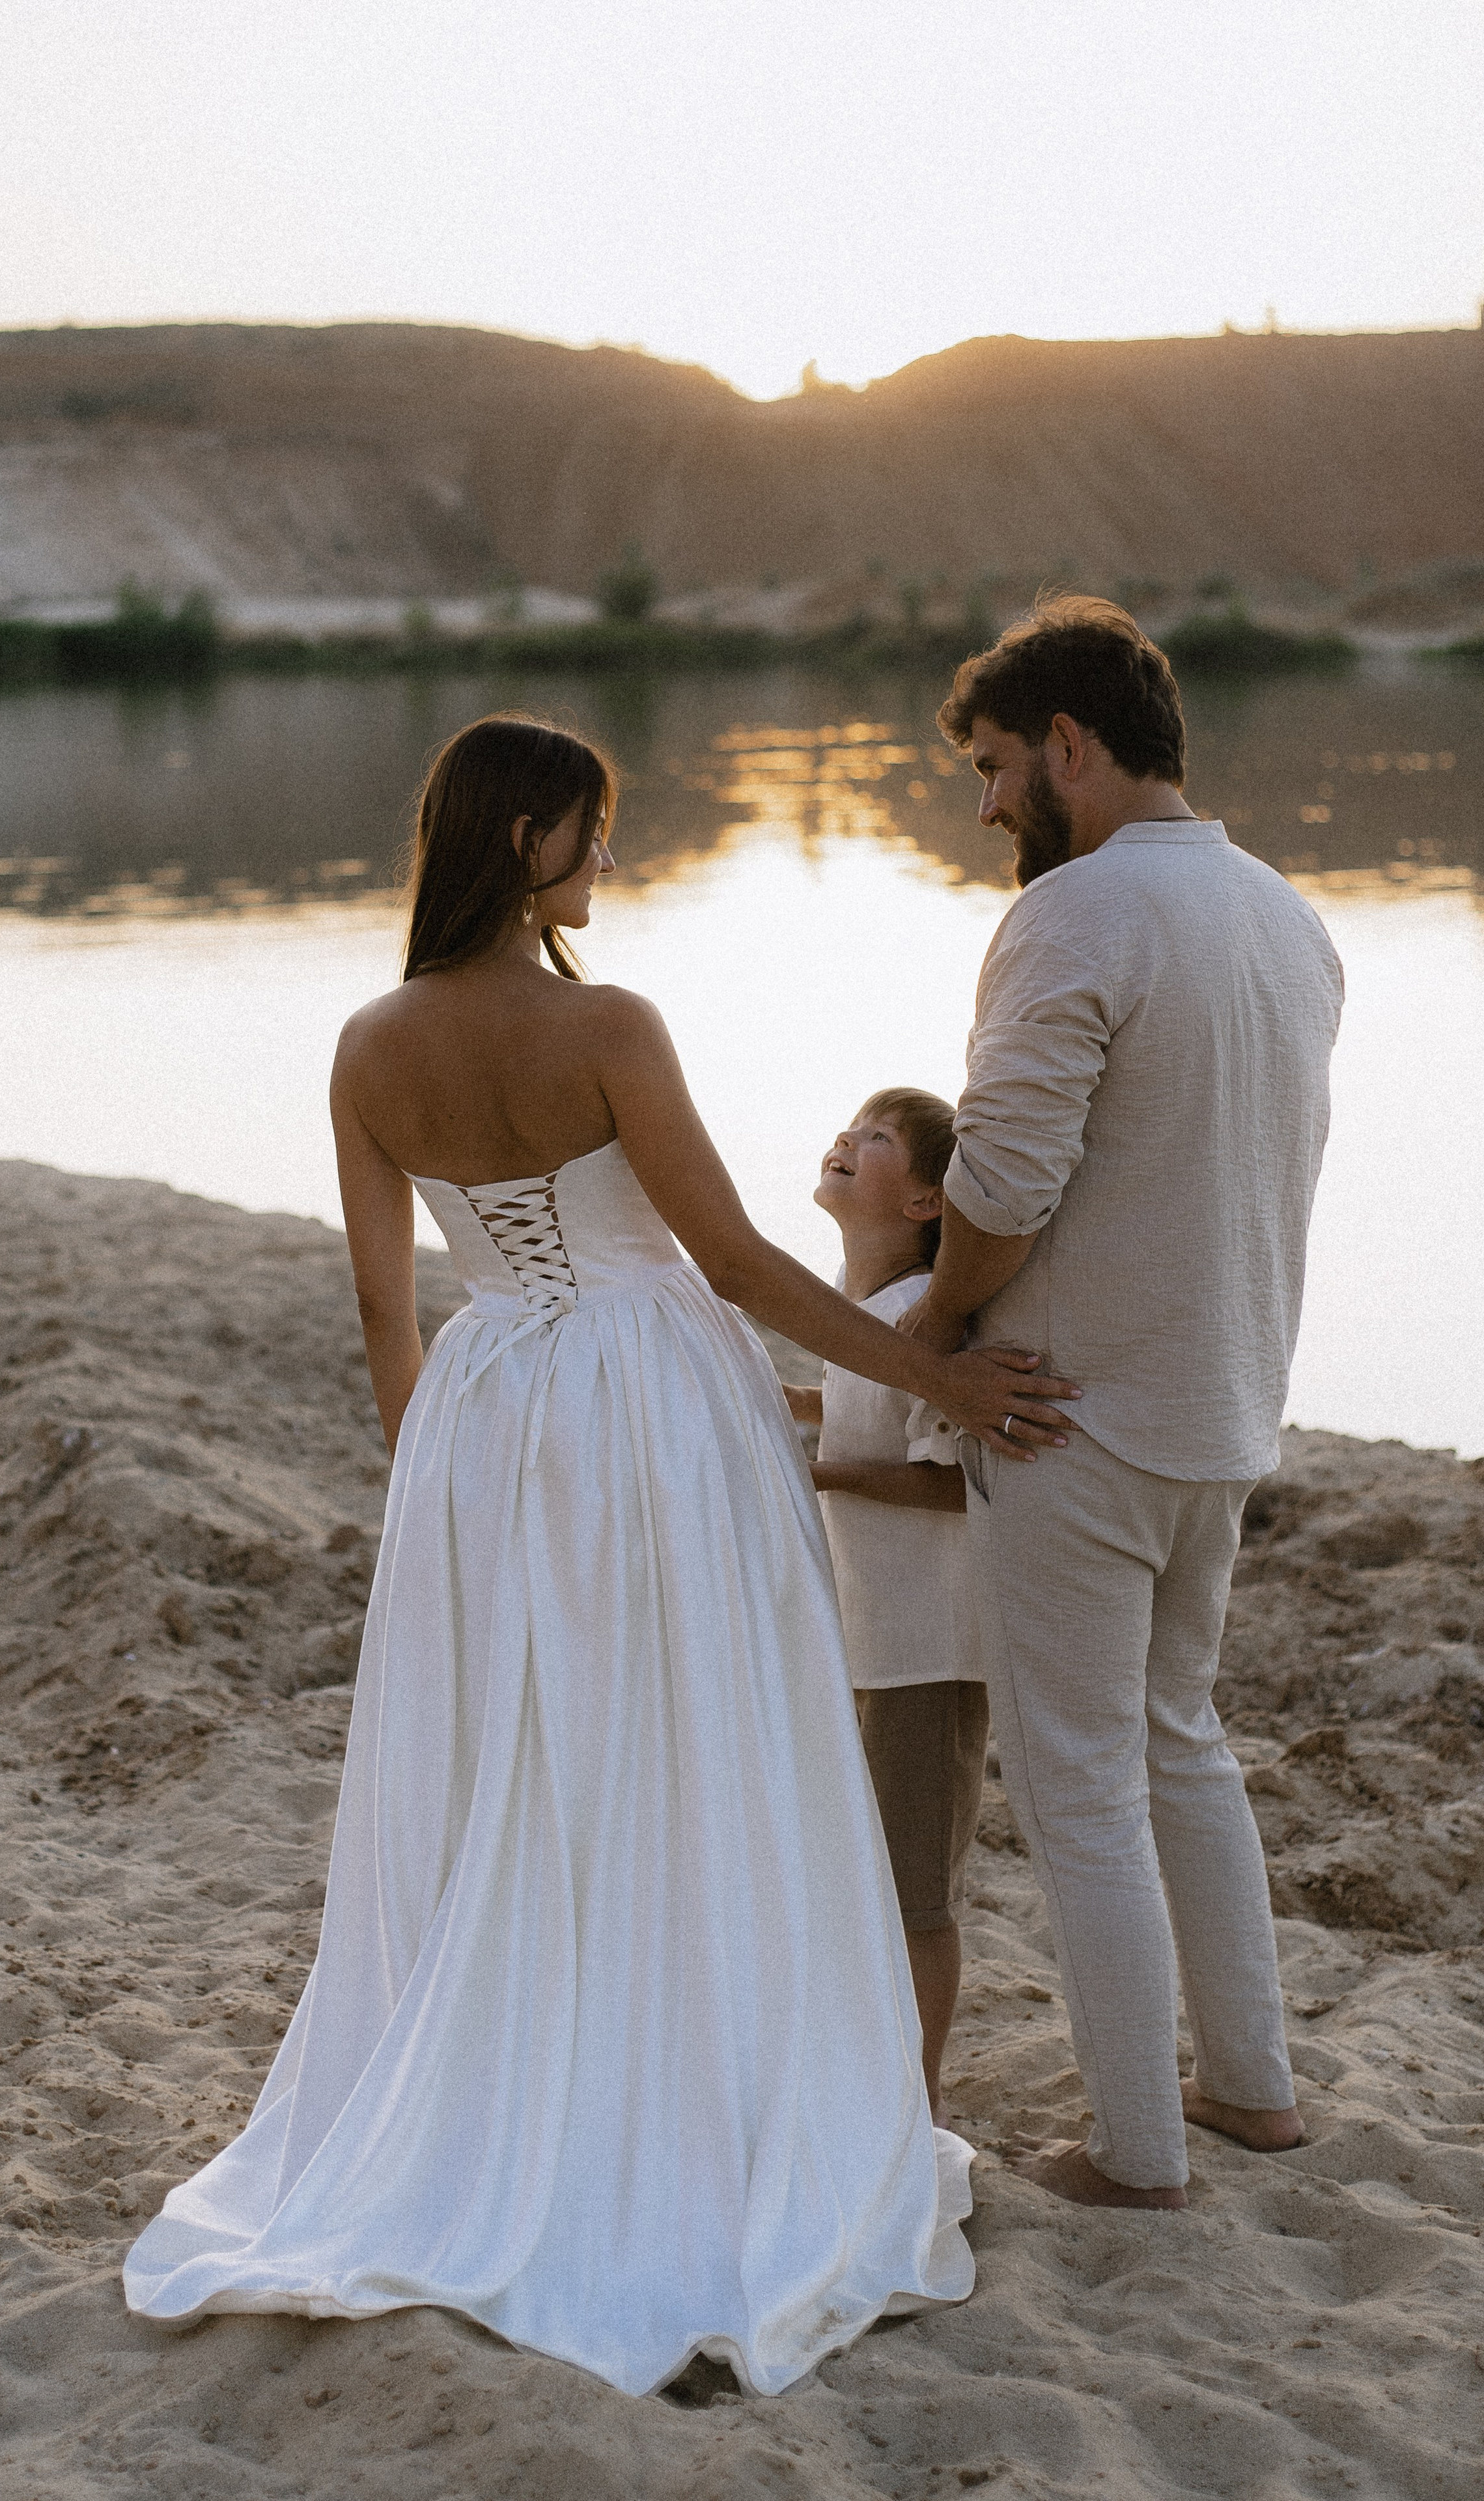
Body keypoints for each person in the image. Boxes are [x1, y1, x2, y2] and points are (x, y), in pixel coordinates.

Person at [123, 714, 1080, 2395]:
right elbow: (729, 1262)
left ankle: (516, 2087)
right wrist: (930, 1370)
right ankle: (674, 2101)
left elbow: (378, 1299)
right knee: (683, 1738)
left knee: (522, 1751)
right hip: (645, 1400)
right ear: (523, 843)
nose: (609, 857)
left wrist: (434, 1462)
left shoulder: (364, 1044)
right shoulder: (609, 1024)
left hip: (484, 1406)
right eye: (592, 829)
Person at [903, 598, 1343, 2210]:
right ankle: (1252, 2094)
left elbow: (1002, 1188)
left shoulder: (1076, 917)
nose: (987, 805)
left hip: (1063, 1416)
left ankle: (1136, 2154)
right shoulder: (1286, 915)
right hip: (1223, 1400)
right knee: (1182, 1746)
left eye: (997, 766)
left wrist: (935, 1334)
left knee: (1080, 1779)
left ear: (1070, 750)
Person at [781, 1089, 985, 2124]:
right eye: (848, 1125)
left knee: (915, 1897)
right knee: (869, 1876)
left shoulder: (923, 1318)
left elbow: (953, 1481)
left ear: (922, 1202)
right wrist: (793, 1408)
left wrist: (819, 1477)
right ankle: (875, 2079)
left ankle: (919, 2099)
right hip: (869, 1635)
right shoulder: (859, 1309)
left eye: (875, 1138)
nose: (844, 1140)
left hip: (930, 1648)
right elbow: (867, 1406)